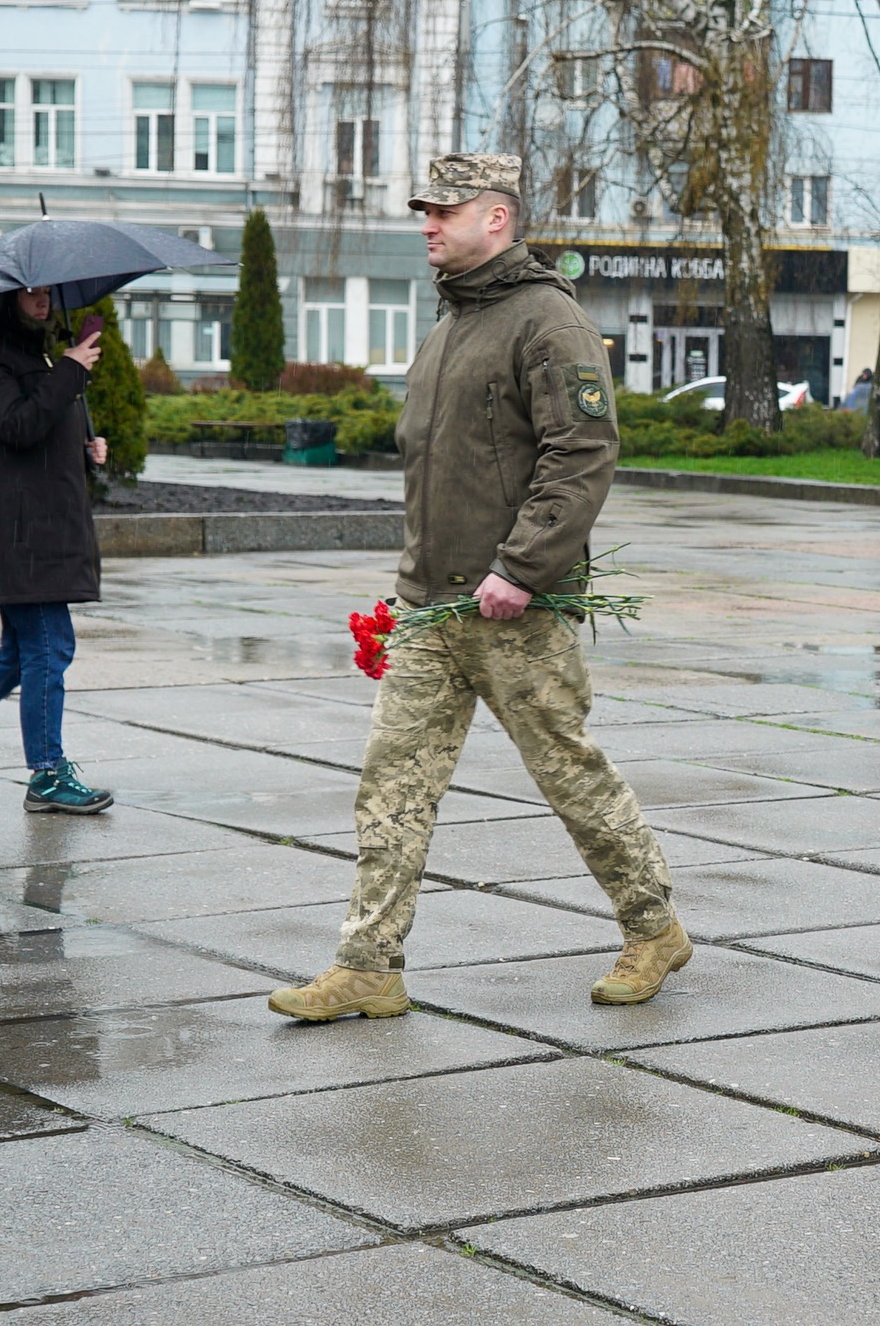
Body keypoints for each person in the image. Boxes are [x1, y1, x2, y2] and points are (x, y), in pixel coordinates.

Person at [268, 154, 689, 1022]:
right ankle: (369, 962)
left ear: (496, 217)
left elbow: (583, 454)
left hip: (511, 609)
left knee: (568, 772)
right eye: (424, 209)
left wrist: (522, 567)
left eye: (443, 211)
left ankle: (654, 927)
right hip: (433, 607)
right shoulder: (451, 322)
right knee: (391, 784)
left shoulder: (548, 320)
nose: (426, 223)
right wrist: (409, 591)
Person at [0, 285, 114, 813]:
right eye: (29, 293)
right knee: (49, 646)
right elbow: (17, 427)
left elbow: (40, 427)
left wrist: (85, 447)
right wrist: (69, 370)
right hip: (19, 526)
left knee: (18, 654)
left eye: (46, 291)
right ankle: (46, 773)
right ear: (3, 299)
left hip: (40, 521)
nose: (42, 301)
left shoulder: (32, 352)